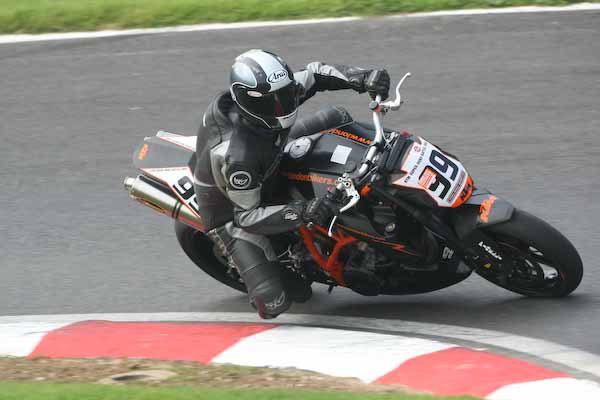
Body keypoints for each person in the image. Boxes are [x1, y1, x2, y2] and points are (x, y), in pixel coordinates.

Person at [193, 49, 390, 319]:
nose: (282, 106)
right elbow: (246, 217)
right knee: (276, 301)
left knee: (338, 117)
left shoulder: (273, 93)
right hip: (232, 209)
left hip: (271, 154)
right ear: (248, 102)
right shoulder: (237, 155)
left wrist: (363, 77)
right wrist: (303, 211)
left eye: (285, 96)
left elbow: (315, 74)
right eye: (272, 103)